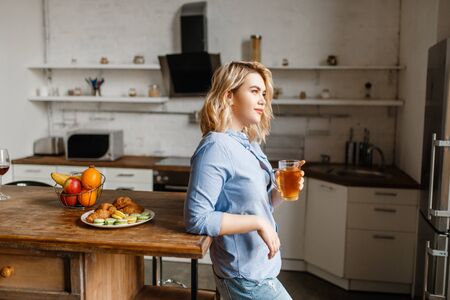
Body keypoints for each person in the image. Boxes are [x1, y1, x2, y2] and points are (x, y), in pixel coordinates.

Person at [184, 61, 305, 300]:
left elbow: (259, 205)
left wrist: (281, 190)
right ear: (229, 96)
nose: (263, 100)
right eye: (254, 91)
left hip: (260, 271)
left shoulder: (248, 143)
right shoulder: (216, 146)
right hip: (245, 279)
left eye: (264, 93)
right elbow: (196, 219)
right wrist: (258, 222)